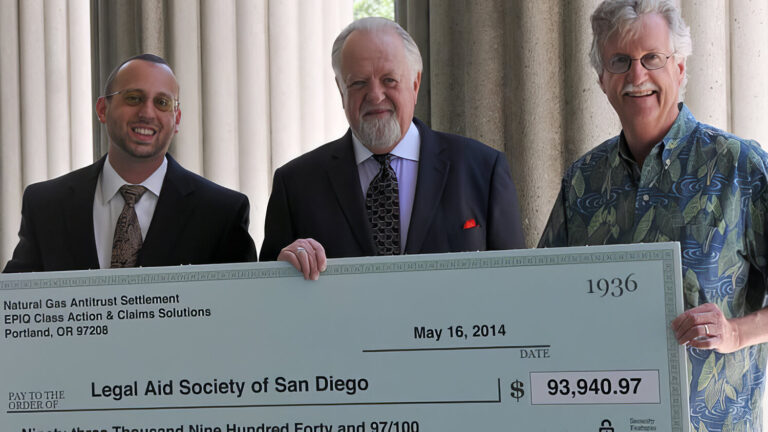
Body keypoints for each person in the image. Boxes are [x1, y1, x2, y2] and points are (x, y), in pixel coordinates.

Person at [538, 0, 768, 429]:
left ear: (679, 69)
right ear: (603, 79)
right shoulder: (582, 180)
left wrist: (735, 333)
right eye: (620, 61)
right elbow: (543, 295)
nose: (637, 76)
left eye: (652, 59)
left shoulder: (741, 167)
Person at [260, 17, 525, 279]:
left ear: (415, 84)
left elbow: (515, 284)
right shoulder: (295, 185)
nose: (375, 95)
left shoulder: (483, 170)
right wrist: (281, 272)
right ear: (341, 91)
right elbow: (266, 301)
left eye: (389, 80)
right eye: (358, 83)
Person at [3, 54, 257, 273]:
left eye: (162, 102)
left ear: (176, 119)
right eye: (134, 98)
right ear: (102, 109)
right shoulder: (46, 205)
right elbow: (16, 304)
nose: (147, 113)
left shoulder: (221, 213)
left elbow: (242, 314)